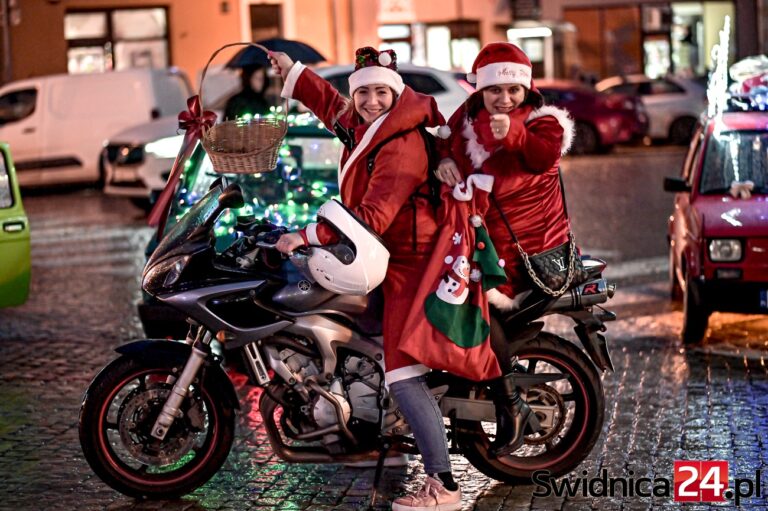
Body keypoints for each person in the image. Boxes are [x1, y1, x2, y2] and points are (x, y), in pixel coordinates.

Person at [269, 47, 463, 511]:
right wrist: (293, 72)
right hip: (388, 255)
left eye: (381, 92)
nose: (372, 101)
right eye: (365, 93)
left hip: (411, 264)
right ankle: (377, 427)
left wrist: (307, 233)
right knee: (359, 335)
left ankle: (444, 485)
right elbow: (332, 106)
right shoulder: (368, 125)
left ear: (395, 94)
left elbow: (373, 215)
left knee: (401, 374)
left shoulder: (399, 144)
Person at [434, 42, 574, 457]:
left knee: (472, 310)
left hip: (529, 253)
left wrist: (512, 133)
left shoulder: (544, 122)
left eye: (513, 90)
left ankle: (509, 403)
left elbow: (542, 155)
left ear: (527, 90)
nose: (504, 98)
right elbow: (444, 140)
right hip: (479, 246)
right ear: (480, 90)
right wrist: (441, 159)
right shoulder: (466, 118)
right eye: (495, 90)